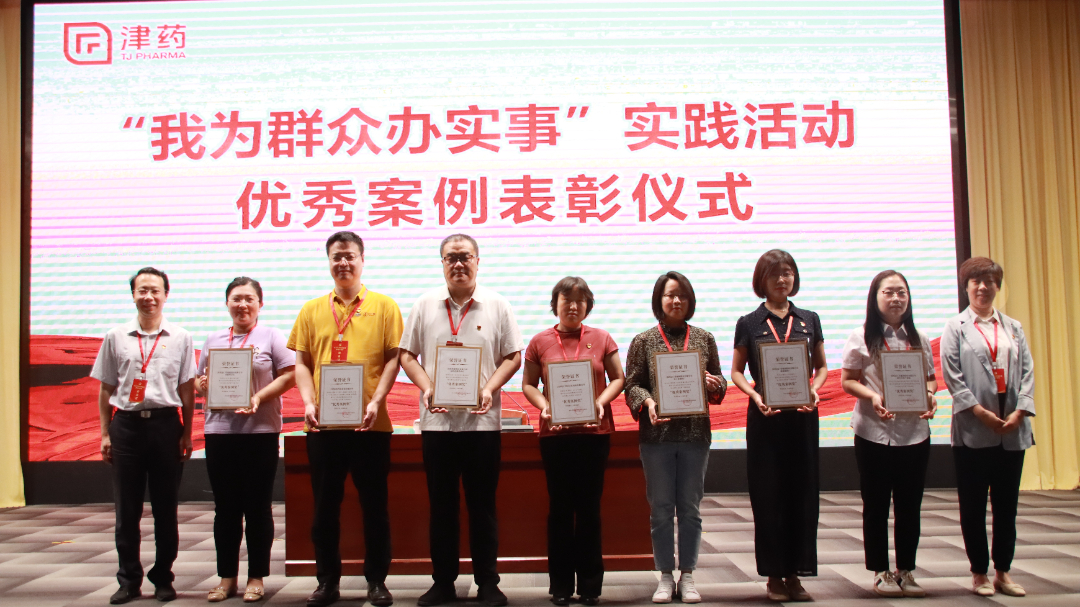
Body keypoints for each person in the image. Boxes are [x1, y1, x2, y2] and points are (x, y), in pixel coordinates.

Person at [399, 234, 524, 607]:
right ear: (441, 263)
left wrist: (489, 388)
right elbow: (407, 355)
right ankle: (443, 583)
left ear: (477, 261)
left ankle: (488, 582)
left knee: (482, 506)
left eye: (464, 257)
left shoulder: (497, 305)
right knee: (442, 508)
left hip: (481, 425)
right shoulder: (424, 305)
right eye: (450, 258)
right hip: (437, 425)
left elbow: (513, 356)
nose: (458, 264)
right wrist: (427, 387)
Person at [288, 231, 403, 607]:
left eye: (350, 256)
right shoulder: (311, 310)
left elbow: (393, 358)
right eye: (336, 256)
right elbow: (302, 362)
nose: (343, 263)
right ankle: (327, 581)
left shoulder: (384, 306)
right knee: (324, 508)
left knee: (375, 507)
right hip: (323, 426)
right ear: (328, 261)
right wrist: (308, 402)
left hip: (371, 425)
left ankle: (377, 581)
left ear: (362, 259)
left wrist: (377, 401)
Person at [91, 267, 196, 605]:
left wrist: (187, 433)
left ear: (166, 295)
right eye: (142, 290)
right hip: (126, 427)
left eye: (155, 291)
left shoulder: (180, 337)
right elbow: (106, 388)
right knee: (127, 510)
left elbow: (187, 389)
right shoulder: (115, 336)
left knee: (166, 508)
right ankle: (129, 580)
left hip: (166, 426)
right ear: (133, 295)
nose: (149, 297)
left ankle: (163, 577)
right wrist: (105, 433)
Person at [624, 271, 727, 604]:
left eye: (682, 295)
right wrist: (648, 403)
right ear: (660, 299)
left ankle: (689, 574)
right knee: (661, 508)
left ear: (690, 300)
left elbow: (720, 383)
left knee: (690, 509)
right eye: (670, 295)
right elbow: (632, 385)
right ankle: (666, 575)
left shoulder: (704, 338)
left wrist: (714, 384)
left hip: (696, 435)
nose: (676, 300)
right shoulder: (643, 340)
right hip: (657, 436)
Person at [730, 250, 827, 602]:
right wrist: (754, 395)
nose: (782, 280)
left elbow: (822, 368)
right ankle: (773, 575)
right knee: (768, 496)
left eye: (787, 273)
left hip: (802, 417)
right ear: (762, 280)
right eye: (774, 274)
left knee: (802, 495)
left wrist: (814, 390)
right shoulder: (749, 322)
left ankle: (795, 574)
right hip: (765, 419)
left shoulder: (809, 319)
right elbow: (736, 372)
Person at [521, 277, 625, 606]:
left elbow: (618, 378)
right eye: (566, 299)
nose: (573, 306)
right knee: (560, 511)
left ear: (588, 306)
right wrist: (544, 406)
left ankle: (591, 586)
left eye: (580, 300)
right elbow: (528, 384)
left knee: (590, 510)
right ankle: (561, 586)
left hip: (594, 435)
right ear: (555, 304)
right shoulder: (539, 341)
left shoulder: (602, 338)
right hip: (555, 437)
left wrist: (600, 401)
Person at [194, 277, 296, 603]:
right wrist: (202, 384)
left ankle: (256, 577)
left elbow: (290, 375)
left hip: (260, 433)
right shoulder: (213, 339)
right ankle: (227, 578)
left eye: (249, 299)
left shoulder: (272, 336)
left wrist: (258, 397)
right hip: (219, 432)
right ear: (227, 303)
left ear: (260, 304)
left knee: (257, 507)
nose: (242, 305)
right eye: (236, 298)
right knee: (225, 509)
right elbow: (199, 380)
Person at [940, 257, 1035, 598]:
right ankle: (979, 572)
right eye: (975, 282)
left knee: (1007, 506)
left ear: (998, 286)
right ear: (966, 287)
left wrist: (1021, 411)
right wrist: (980, 412)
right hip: (973, 427)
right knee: (973, 505)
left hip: (1012, 426)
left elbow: (1027, 372)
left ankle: (1003, 572)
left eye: (989, 281)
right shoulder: (955, 327)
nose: (982, 287)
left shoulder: (1013, 327)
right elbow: (952, 375)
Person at [840, 271, 937, 598]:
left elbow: (930, 379)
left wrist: (930, 395)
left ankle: (905, 570)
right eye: (889, 292)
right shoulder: (860, 336)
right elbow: (847, 380)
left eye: (901, 292)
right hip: (873, 432)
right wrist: (872, 396)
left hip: (914, 433)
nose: (896, 298)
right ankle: (880, 571)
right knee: (876, 504)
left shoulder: (919, 337)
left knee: (910, 504)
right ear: (875, 297)